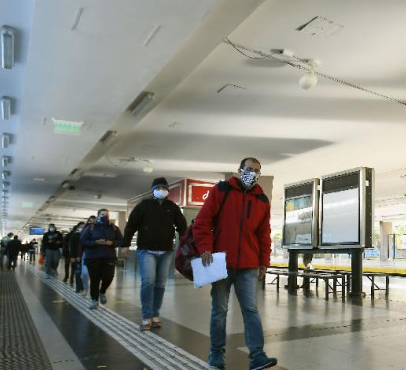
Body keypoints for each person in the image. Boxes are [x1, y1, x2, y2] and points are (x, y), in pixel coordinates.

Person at [193, 157, 277, 370]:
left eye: (257, 171)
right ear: (240, 170)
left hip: (248, 264)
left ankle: (257, 355)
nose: (253, 173)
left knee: (251, 309)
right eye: (249, 169)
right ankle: (216, 353)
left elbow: (263, 234)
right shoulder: (222, 190)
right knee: (220, 310)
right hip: (220, 261)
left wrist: (263, 262)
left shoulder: (262, 200)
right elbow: (203, 221)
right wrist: (205, 248)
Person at [121, 177, 187, 330]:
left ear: (168, 191)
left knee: (160, 284)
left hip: (166, 252)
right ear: (152, 190)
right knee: (148, 281)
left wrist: (185, 244)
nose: (161, 191)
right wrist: (125, 245)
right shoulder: (143, 206)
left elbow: (182, 226)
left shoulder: (172, 207)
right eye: (158, 188)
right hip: (146, 250)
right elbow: (131, 226)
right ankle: (146, 316)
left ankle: (155, 314)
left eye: (164, 188)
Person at [80, 209, 124, 309]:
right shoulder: (91, 227)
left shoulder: (113, 228)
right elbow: (82, 240)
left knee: (109, 277)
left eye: (107, 214)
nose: (105, 216)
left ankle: (102, 291)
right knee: (95, 280)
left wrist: (112, 243)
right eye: (102, 214)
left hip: (109, 257)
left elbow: (121, 241)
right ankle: (94, 300)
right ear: (98, 215)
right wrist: (95, 242)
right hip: (93, 257)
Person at [68, 222, 85, 292]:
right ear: (78, 227)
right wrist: (72, 256)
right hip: (76, 257)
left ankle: (82, 286)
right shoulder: (74, 236)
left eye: (84, 227)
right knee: (78, 272)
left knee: (84, 273)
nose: (82, 228)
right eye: (81, 227)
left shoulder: (87, 236)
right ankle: (79, 287)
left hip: (85, 257)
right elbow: (71, 247)